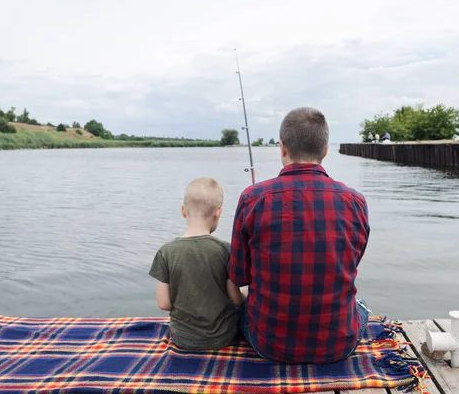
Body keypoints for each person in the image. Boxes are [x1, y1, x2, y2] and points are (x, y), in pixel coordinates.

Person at [227, 107, 371, 364]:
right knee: (361, 305)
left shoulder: (253, 198)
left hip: (268, 345)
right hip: (339, 346)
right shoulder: (356, 201)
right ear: (325, 150)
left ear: (282, 147)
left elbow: (239, 276)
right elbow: (350, 264)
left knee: (244, 308)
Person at [149, 177, 240, 350]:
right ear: (218, 212)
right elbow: (236, 300)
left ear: (183, 211)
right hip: (224, 337)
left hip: (182, 338)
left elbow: (164, 304)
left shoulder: (166, 252)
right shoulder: (226, 250)